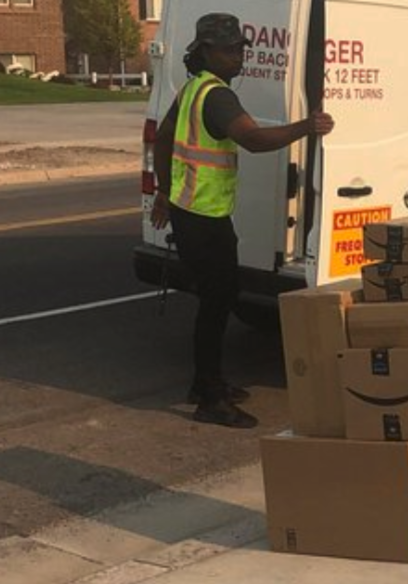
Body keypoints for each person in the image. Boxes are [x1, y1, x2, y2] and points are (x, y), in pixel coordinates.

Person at [150, 12, 335, 429]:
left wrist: (164, 189)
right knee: (216, 305)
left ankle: (205, 383)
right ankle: (210, 397)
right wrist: (308, 125)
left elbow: (163, 137)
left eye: (241, 49)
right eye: (230, 50)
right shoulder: (216, 96)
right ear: (207, 52)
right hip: (202, 218)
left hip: (197, 213)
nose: (239, 57)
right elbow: (253, 139)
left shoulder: (193, 89)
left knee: (221, 296)